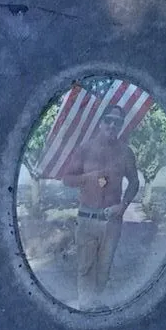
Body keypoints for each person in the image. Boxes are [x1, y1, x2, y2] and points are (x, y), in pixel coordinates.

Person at [61, 104, 140, 308]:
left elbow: (134, 182)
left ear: (121, 126)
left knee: (104, 269)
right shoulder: (85, 148)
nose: (112, 125)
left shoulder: (125, 152)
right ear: (100, 122)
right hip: (87, 218)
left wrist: (123, 206)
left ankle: (95, 306)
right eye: (108, 120)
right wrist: (86, 178)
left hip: (112, 221)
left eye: (117, 122)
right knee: (86, 268)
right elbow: (66, 178)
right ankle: (87, 309)